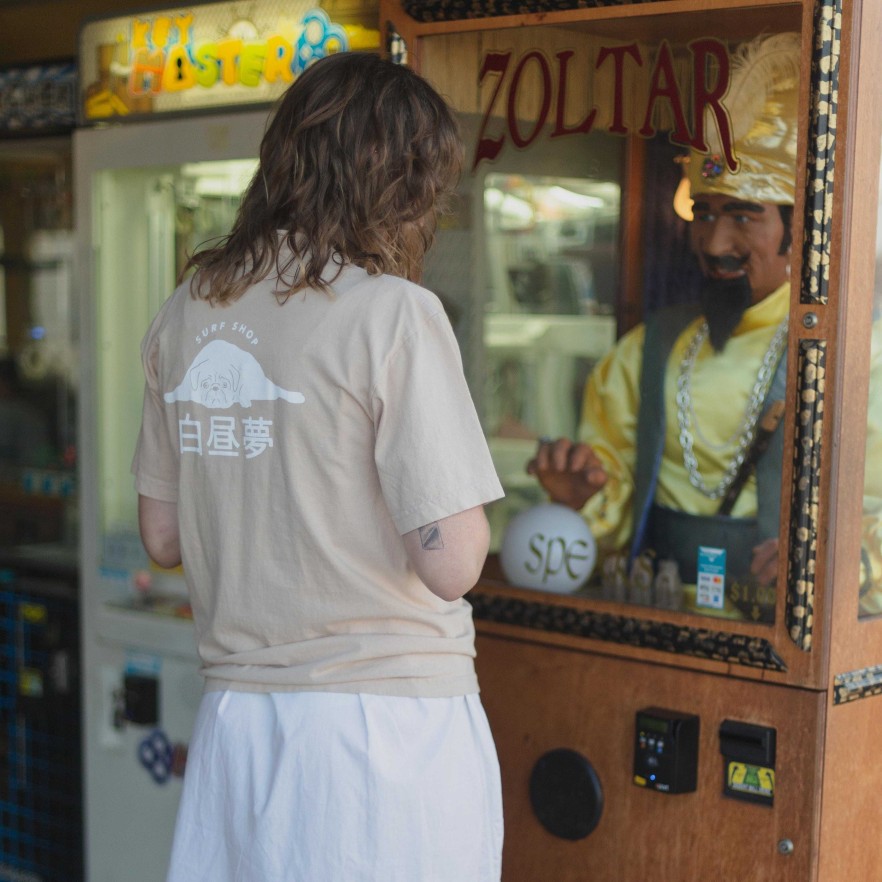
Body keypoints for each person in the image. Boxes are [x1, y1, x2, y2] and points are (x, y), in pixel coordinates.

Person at [132, 53, 504, 881]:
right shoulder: (394, 313)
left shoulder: (186, 312)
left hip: (235, 726)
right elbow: (452, 563)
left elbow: (161, 535)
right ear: (399, 185)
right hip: (381, 734)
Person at [528, 33, 800, 621]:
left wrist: (831, 563)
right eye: (703, 215)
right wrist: (586, 498)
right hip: (656, 616)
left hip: (781, 636)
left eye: (742, 217)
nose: (713, 243)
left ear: (798, 232)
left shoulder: (855, 356)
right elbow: (615, 485)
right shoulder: (652, 346)